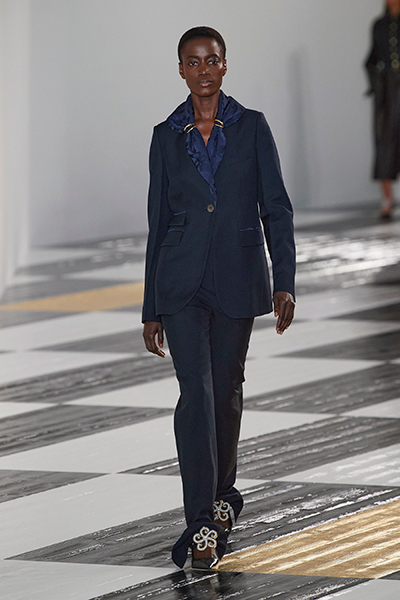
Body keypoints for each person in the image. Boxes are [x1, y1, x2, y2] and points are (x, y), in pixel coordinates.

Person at [142, 26, 296, 570]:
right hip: (180, 283)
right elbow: (158, 220)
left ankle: (224, 493)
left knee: (226, 391)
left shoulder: (252, 127)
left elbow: (276, 206)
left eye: (211, 60)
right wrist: (150, 306)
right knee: (196, 393)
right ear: (181, 70)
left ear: (225, 65)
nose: (203, 70)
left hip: (236, 275)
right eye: (193, 62)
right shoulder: (165, 135)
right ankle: (201, 523)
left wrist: (284, 280)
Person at [366, 0, 400, 219]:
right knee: (385, 140)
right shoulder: (379, 25)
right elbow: (371, 59)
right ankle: (387, 198)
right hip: (387, 91)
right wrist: (377, 84)